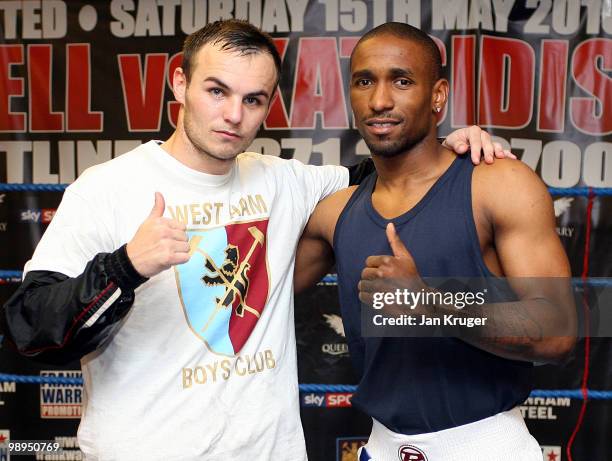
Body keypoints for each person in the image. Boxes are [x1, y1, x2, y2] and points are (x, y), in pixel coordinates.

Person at [2, 20, 509, 460]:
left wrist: (452, 144)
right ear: (180, 82)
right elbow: (29, 326)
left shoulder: (285, 182)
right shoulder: (108, 188)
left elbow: (393, 171)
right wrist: (126, 267)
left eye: (253, 100)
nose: (233, 115)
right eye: (216, 91)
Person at [294, 22, 576, 461]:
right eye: (364, 81)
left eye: (402, 81)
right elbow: (251, 294)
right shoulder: (336, 211)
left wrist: (431, 305)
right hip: (382, 447)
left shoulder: (497, 184)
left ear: (438, 96)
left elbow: (558, 333)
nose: (380, 100)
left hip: (486, 447)